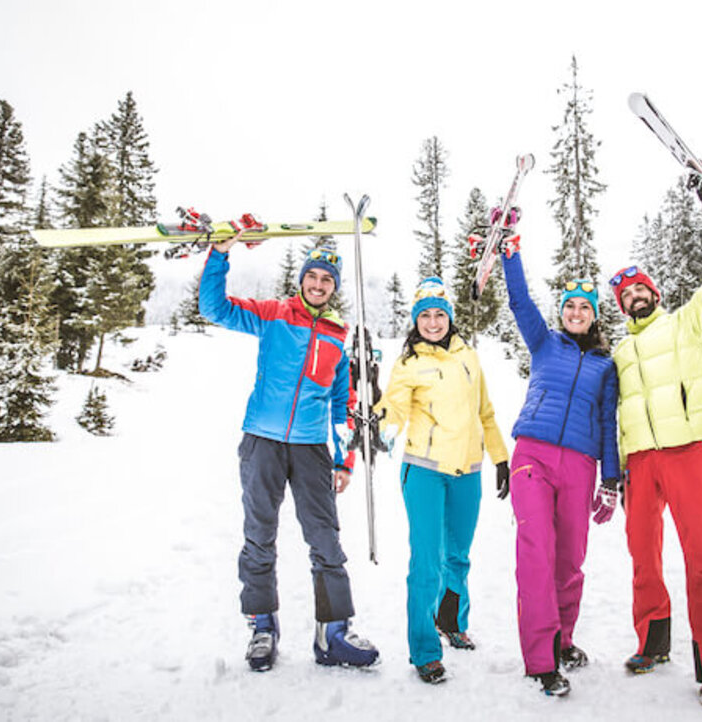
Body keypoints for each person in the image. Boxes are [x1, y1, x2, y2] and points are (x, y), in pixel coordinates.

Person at [199, 237, 379, 673]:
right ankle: (262, 627)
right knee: (259, 535)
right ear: (301, 280)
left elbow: (343, 405)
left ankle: (333, 633)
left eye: (326, 280)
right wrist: (220, 255)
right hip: (262, 440)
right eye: (312, 276)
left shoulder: (337, 335)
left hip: (312, 447)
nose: (318, 284)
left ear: (334, 287)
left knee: (325, 538)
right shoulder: (274, 315)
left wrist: (344, 460)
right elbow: (214, 309)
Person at [608, 174, 702, 711]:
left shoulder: (685, 325)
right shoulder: (620, 353)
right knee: (643, 555)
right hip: (640, 464)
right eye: (626, 295)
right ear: (621, 305)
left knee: (701, 559)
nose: (634, 297)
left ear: (654, 293)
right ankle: (653, 642)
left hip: (687, 453)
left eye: (640, 289)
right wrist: (617, 470)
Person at [496, 223, 621, 697]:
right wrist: (510, 253)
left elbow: (608, 421)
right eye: (570, 305)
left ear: (594, 316)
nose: (575, 312)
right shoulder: (544, 342)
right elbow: (520, 301)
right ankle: (541, 660)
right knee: (535, 553)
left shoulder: (606, 366)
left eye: (584, 307)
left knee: (570, 560)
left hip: (580, 467)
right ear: (562, 311)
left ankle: (563, 638)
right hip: (533, 455)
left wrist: (611, 480)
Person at [374, 276, 510, 685]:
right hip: (425, 470)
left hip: (467, 471)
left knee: (458, 557)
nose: (433, 322)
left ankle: (451, 621)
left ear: (449, 317)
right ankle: (425, 650)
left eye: (439, 314)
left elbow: (485, 411)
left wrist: (500, 457)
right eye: (425, 316)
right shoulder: (408, 364)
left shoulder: (469, 356)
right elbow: (395, 408)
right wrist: (381, 421)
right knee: (427, 562)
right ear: (415, 321)